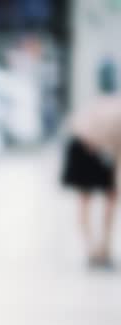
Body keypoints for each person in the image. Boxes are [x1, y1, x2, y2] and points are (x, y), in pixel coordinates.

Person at [62, 95, 121, 268]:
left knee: (103, 200)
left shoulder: (99, 107)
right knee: (88, 200)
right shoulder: (105, 108)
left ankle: (101, 248)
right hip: (89, 150)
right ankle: (95, 249)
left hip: (103, 151)